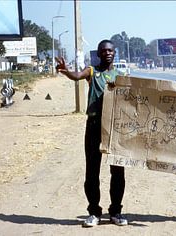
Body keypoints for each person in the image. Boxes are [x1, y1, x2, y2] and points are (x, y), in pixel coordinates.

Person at [55, 39, 128, 227]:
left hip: (115, 128)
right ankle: (94, 212)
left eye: (110, 50)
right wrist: (65, 71)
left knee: (118, 171)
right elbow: (77, 76)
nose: (107, 53)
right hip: (94, 126)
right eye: (103, 51)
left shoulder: (122, 75)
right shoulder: (92, 72)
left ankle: (116, 212)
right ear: (98, 54)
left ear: (115, 52)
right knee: (92, 171)